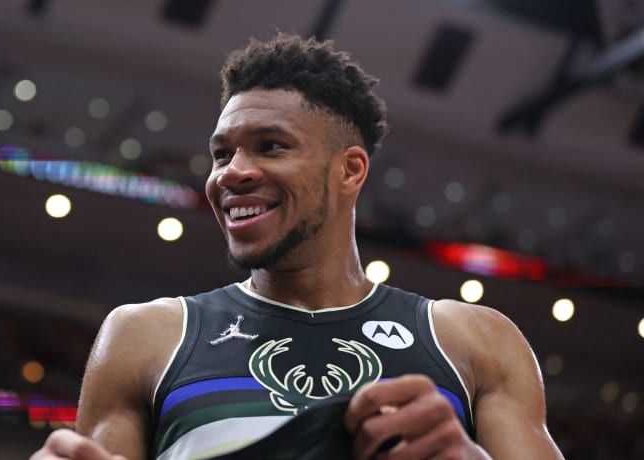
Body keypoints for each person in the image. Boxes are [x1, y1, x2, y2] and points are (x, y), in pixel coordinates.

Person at [31, 33, 563, 459]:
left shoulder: (474, 341)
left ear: (350, 170)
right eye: (221, 155)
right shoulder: (145, 336)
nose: (232, 173)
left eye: (270, 147)